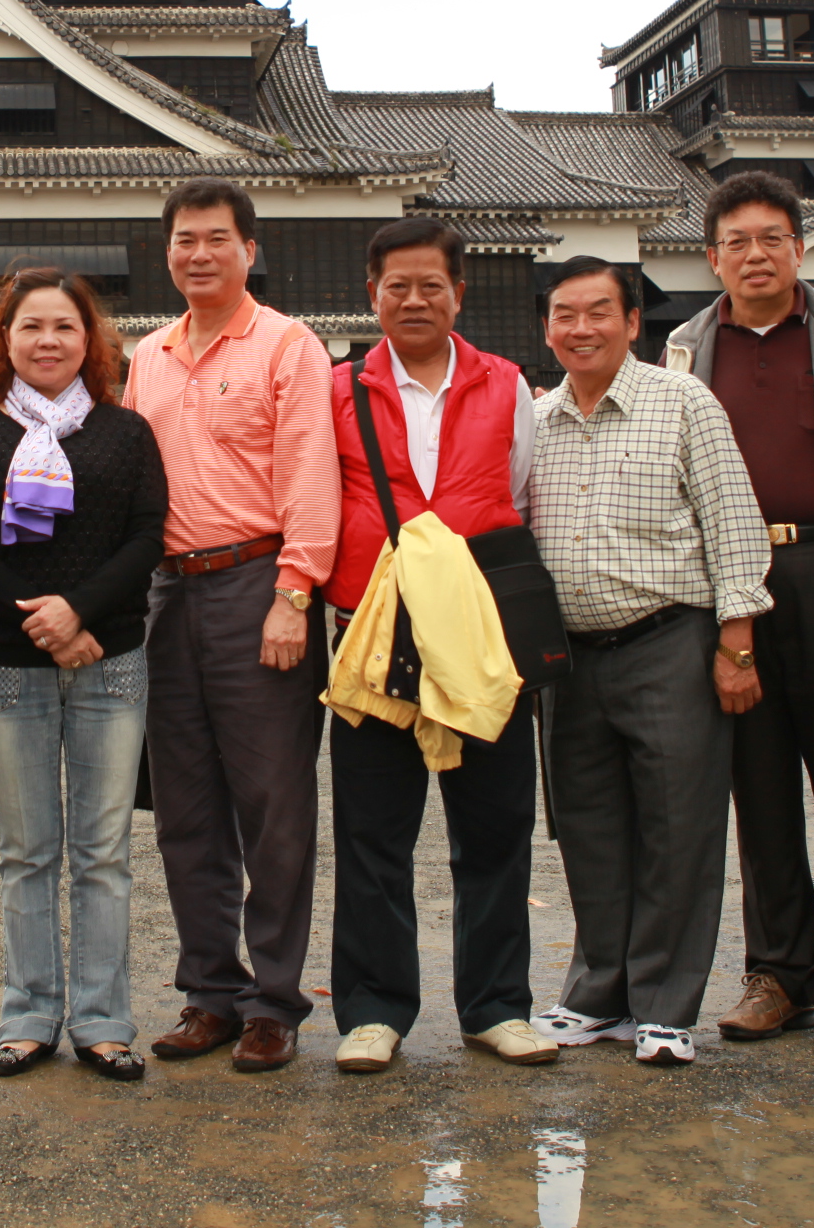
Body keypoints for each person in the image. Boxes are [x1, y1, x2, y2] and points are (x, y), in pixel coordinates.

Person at [663, 171, 814, 1058]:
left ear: (800, 248)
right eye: (737, 242)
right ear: (712, 257)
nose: (755, 255)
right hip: (734, 583)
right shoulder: (686, 349)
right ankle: (777, 973)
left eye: (772, 239)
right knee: (757, 786)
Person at [527, 256, 771, 1069]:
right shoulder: (536, 418)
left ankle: (664, 1006)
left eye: (599, 311)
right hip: (571, 656)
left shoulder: (683, 402)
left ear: (633, 322)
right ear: (547, 329)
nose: (582, 328)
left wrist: (736, 645)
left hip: (670, 640)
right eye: (565, 315)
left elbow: (733, 524)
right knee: (588, 828)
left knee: (678, 826)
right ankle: (599, 994)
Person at [323, 219, 554, 1076]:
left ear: (459, 293)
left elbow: (519, 493)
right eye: (397, 286)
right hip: (374, 636)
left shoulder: (506, 384)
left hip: (480, 638)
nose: (414, 300)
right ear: (372, 295)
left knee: (494, 828)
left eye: (431, 286)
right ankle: (373, 1011)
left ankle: (497, 1006)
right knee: (371, 833)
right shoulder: (338, 389)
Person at [126, 177, 339, 1074]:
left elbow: (311, 473)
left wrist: (295, 594)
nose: (199, 253)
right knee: (185, 811)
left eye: (217, 238)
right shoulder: (148, 354)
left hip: (259, 584)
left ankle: (274, 1002)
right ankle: (209, 991)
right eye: (184, 239)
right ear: (168, 252)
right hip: (169, 593)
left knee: (274, 807)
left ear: (250, 250)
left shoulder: (287, 345)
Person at [0, 265, 168, 1083]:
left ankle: (103, 1020)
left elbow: (146, 537)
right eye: (30, 325)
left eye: (64, 326)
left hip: (111, 659)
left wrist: (78, 613)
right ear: (3, 338)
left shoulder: (125, 432)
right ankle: (29, 1014)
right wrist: (43, 621)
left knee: (103, 851)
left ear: (89, 339)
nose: (48, 340)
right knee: (27, 850)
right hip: (10, 665)